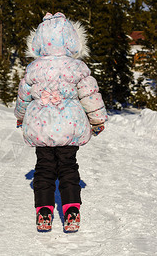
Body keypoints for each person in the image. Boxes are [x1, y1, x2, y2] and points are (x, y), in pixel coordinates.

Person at [14, 12, 107, 232]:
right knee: (68, 168)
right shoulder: (77, 68)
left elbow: (23, 97)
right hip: (69, 127)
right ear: (73, 40)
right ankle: (72, 211)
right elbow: (89, 95)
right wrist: (97, 120)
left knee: (44, 169)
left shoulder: (34, 68)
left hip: (41, 127)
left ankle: (44, 212)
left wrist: (20, 116)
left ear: (38, 41)